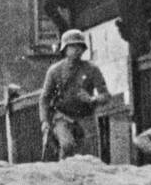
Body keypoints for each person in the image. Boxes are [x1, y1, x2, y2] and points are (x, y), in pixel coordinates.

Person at [39, 29, 110, 160]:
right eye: (72, 46)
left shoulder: (92, 69)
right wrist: (44, 121)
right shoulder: (55, 71)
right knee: (67, 146)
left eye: (80, 46)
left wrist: (92, 99)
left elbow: (105, 95)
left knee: (91, 154)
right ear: (65, 49)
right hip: (62, 116)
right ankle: (64, 173)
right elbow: (44, 98)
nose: (77, 49)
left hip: (86, 116)